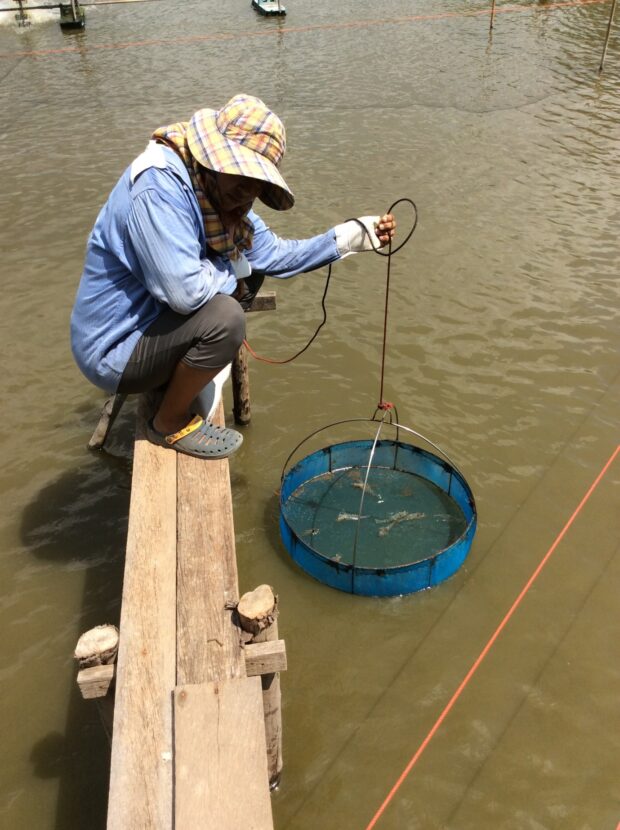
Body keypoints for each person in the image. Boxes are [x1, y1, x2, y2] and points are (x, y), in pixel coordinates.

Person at [71, 94, 396, 460]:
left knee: (249, 275)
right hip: (114, 348)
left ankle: (184, 371)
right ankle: (168, 422)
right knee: (226, 319)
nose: (247, 195)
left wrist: (356, 234)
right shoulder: (158, 187)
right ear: (213, 161)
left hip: (152, 323)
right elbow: (186, 294)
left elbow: (275, 255)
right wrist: (233, 276)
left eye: (256, 186)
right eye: (241, 179)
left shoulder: (219, 200)